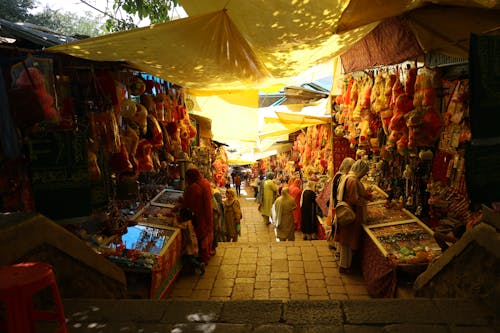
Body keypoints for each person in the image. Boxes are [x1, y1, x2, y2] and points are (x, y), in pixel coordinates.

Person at [334, 159, 370, 273]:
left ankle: (345, 264)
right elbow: (354, 198)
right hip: (351, 213)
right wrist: (365, 200)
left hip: (346, 211)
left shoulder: (347, 177)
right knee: (348, 241)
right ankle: (345, 266)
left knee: (345, 240)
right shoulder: (353, 180)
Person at [181, 168, 214, 264]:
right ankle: (206, 254)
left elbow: (190, 204)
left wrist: (182, 203)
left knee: (201, 235)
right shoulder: (205, 182)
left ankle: (202, 257)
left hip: (199, 215)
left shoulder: (195, 186)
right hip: (206, 213)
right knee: (206, 233)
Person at [328, 157, 355, 251]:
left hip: (337, 203)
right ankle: (337, 246)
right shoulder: (341, 176)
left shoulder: (339, 176)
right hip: (339, 205)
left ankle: (336, 245)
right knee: (338, 227)